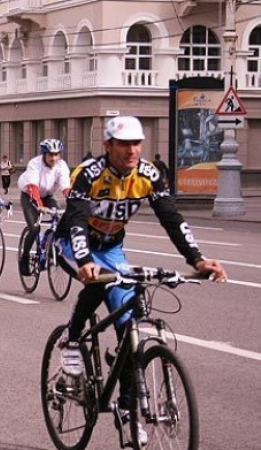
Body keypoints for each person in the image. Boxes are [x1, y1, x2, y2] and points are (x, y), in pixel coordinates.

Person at [56, 116, 227, 446]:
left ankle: (127, 409)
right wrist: (85, 261)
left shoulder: (149, 175)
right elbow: (76, 220)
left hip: (112, 248)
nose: (132, 150)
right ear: (108, 146)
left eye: (137, 143)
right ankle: (72, 339)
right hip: (73, 245)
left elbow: (172, 219)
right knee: (98, 282)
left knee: (129, 328)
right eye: (124, 144)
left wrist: (198, 260)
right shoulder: (88, 174)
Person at [17, 138, 71, 276]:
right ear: (44, 154)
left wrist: (74, 202)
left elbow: (65, 185)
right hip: (29, 195)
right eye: (50, 155)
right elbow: (33, 186)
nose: (54, 158)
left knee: (61, 221)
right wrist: (39, 205)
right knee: (34, 228)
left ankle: (51, 252)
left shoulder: (61, 165)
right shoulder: (34, 164)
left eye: (56, 154)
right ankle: (24, 258)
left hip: (47, 196)